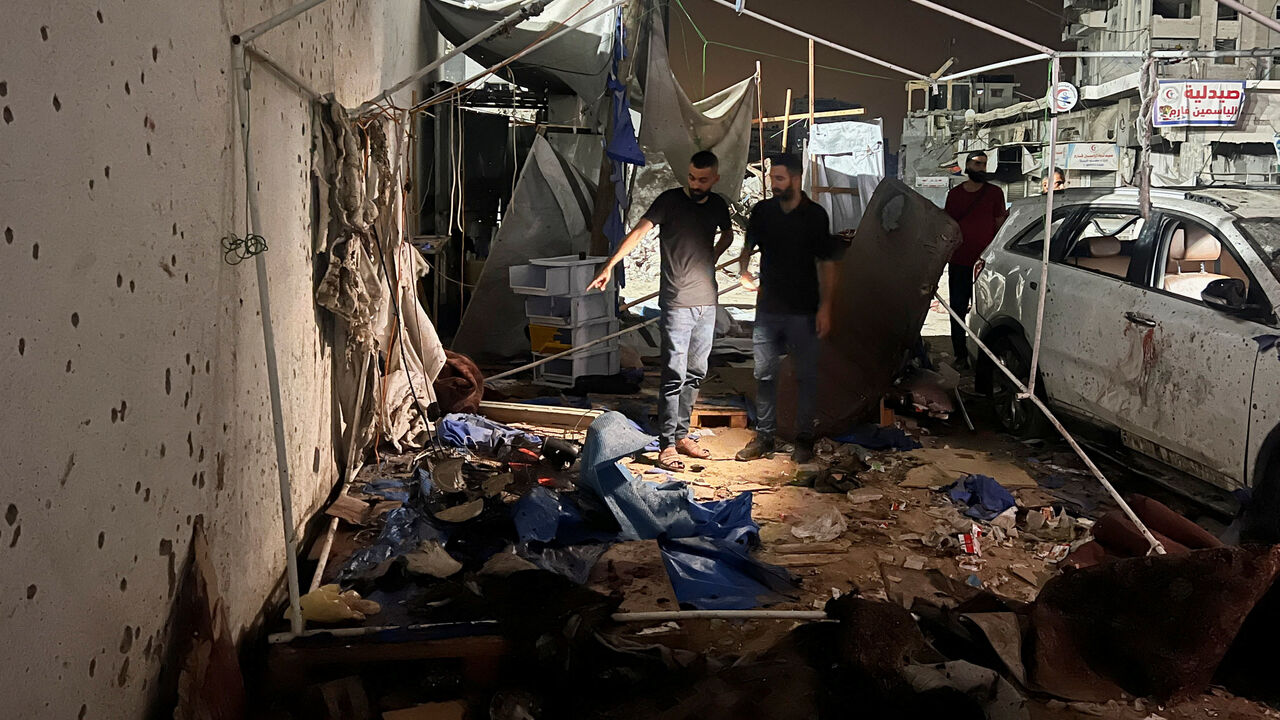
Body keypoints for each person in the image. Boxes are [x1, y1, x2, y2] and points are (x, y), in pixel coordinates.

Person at [587, 150, 733, 471]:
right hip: (677, 302)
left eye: (702, 180)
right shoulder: (669, 201)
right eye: (691, 177)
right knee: (673, 374)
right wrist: (610, 265)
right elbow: (639, 232)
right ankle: (667, 444)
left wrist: (713, 257)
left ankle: (682, 435)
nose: (695, 184)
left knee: (696, 372)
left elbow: (728, 233)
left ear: (715, 179)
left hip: (707, 302)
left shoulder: (718, 205)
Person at [734, 153, 842, 465]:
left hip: (804, 311)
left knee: (806, 377)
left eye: (779, 178)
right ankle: (764, 437)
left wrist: (826, 308)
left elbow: (828, 264)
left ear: (796, 179)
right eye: (772, 178)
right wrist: (743, 271)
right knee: (764, 375)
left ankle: (804, 439)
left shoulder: (815, 216)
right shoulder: (763, 212)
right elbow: (747, 247)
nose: (774, 184)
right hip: (768, 310)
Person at [944, 151, 1008, 370]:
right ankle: (960, 355)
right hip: (959, 261)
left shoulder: (995, 193)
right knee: (957, 309)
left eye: (984, 164)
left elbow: (999, 224)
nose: (982, 168)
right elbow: (949, 225)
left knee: (987, 311)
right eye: (978, 164)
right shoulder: (954, 195)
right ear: (968, 165)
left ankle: (987, 359)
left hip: (985, 264)